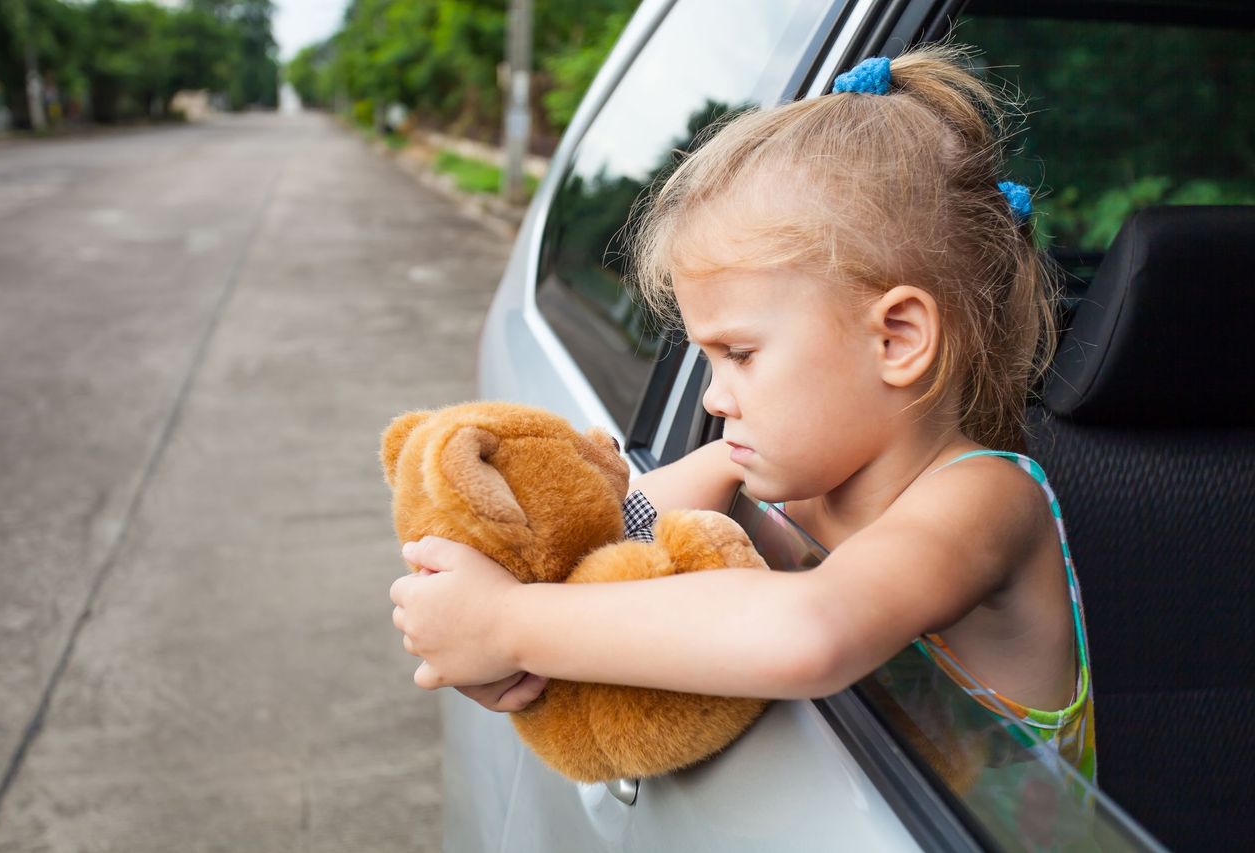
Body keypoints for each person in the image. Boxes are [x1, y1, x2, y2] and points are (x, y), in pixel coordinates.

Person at [389, 45, 1096, 780]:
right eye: (707, 358)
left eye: (742, 355)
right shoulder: (764, 469)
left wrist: (509, 626)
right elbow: (591, 537)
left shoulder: (988, 500)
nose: (712, 397)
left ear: (896, 339)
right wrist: (480, 626)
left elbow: (811, 630)